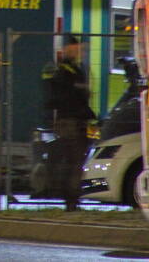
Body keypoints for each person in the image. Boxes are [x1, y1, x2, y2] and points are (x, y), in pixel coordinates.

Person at [43, 35, 95, 211]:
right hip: (70, 121)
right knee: (73, 161)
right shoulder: (63, 71)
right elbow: (63, 96)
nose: (79, 51)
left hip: (76, 120)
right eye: (76, 47)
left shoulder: (75, 69)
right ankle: (71, 200)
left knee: (75, 161)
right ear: (67, 49)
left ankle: (72, 199)